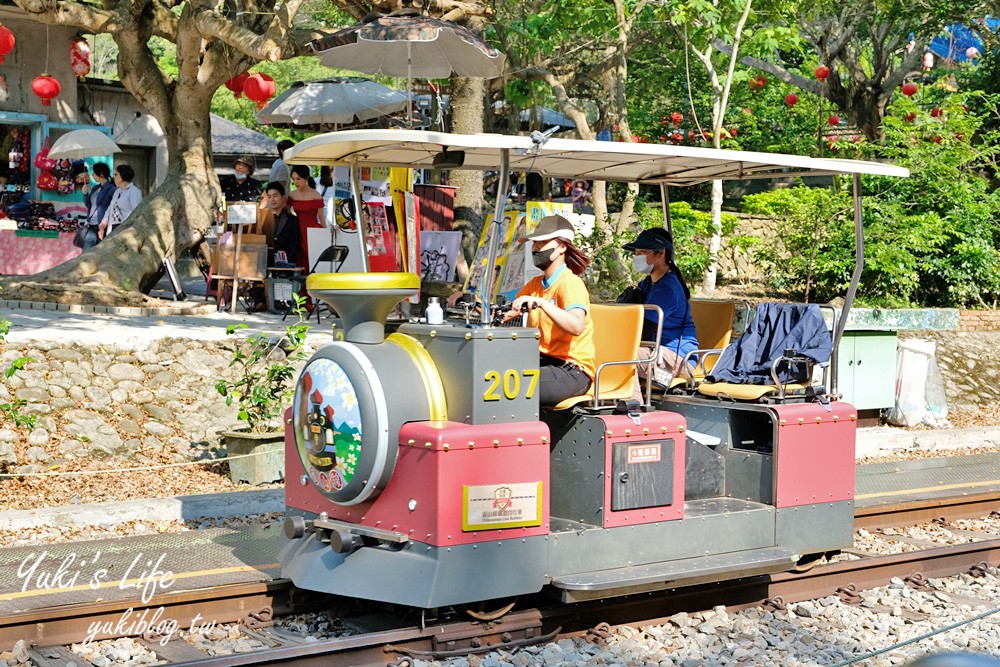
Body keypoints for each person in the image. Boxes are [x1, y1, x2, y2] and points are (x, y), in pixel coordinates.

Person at [504, 215, 596, 406]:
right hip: (544, 361)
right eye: (534, 243)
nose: (535, 248)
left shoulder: (570, 283)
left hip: (572, 371)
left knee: (514, 386)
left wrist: (543, 304)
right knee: (492, 375)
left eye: (542, 242)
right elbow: (507, 312)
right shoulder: (536, 284)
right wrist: (475, 303)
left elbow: (576, 325)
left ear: (562, 247)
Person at [620, 228, 699, 385]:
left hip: (677, 357)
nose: (637, 257)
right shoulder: (648, 283)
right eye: (636, 252)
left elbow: (644, 329)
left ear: (660, 253)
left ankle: (633, 405)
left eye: (642, 252)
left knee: (622, 354)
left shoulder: (667, 288)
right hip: (653, 349)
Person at [288, 165, 325, 271]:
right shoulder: (292, 195)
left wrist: (325, 233)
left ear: (306, 178)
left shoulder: (316, 195)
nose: (296, 182)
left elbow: (321, 216)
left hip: (313, 231)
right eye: (293, 179)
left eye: (298, 179)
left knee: (312, 257)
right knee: (298, 259)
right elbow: (285, 210)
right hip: (296, 230)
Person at [99, 164, 141, 239]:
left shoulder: (134, 191)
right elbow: (110, 207)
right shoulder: (117, 191)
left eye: (116, 174)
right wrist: (104, 220)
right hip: (113, 227)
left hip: (126, 228)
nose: (113, 177)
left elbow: (137, 212)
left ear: (123, 175)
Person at [81, 162, 115, 250]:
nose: (92, 175)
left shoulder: (112, 189)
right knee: (86, 252)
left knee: (100, 253)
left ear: (101, 174)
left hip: (103, 226)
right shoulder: (95, 188)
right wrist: (85, 194)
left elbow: (112, 207)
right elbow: (89, 205)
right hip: (91, 224)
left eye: (94, 173)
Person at [264, 183, 300, 267]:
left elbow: (294, 243)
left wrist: (284, 260)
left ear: (283, 198)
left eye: (275, 196)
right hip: (265, 261)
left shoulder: (292, 220)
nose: (272, 199)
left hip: (285, 263)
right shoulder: (262, 218)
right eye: (269, 197)